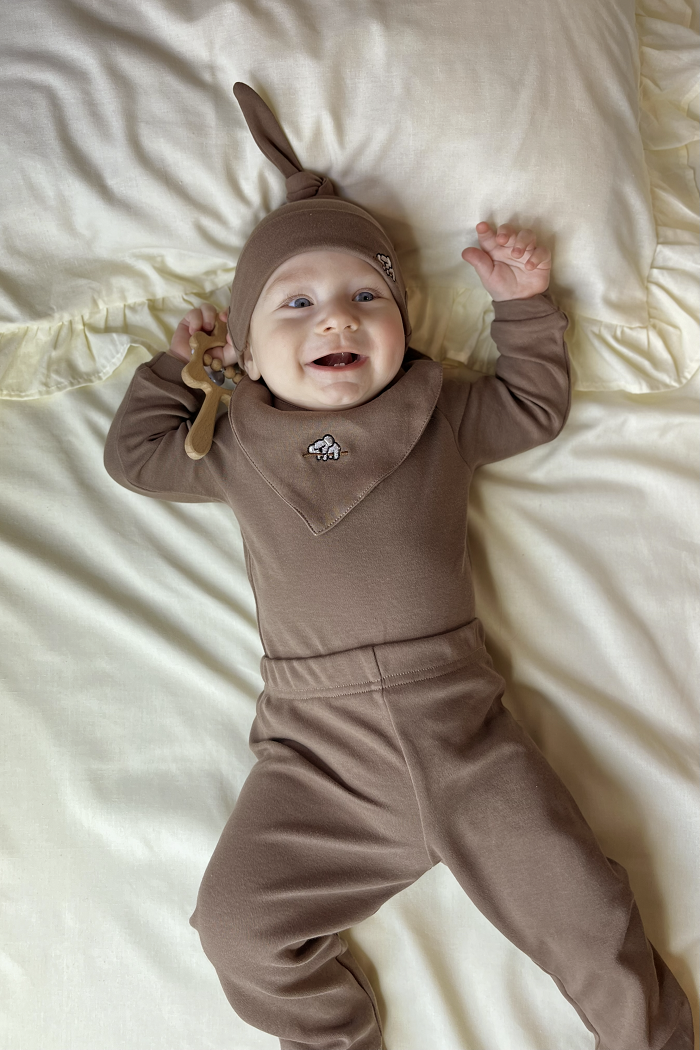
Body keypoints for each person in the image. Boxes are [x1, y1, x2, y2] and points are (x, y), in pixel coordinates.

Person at [103, 83, 694, 1050]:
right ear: (245, 351)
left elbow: (532, 407)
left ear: (404, 324)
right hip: (318, 754)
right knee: (237, 926)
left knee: (588, 911)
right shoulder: (232, 443)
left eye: (366, 297)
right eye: (297, 304)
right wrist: (177, 371)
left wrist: (523, 307)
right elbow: (135, 459)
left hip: (460, 730)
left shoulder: (439, 409)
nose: (336, 320)